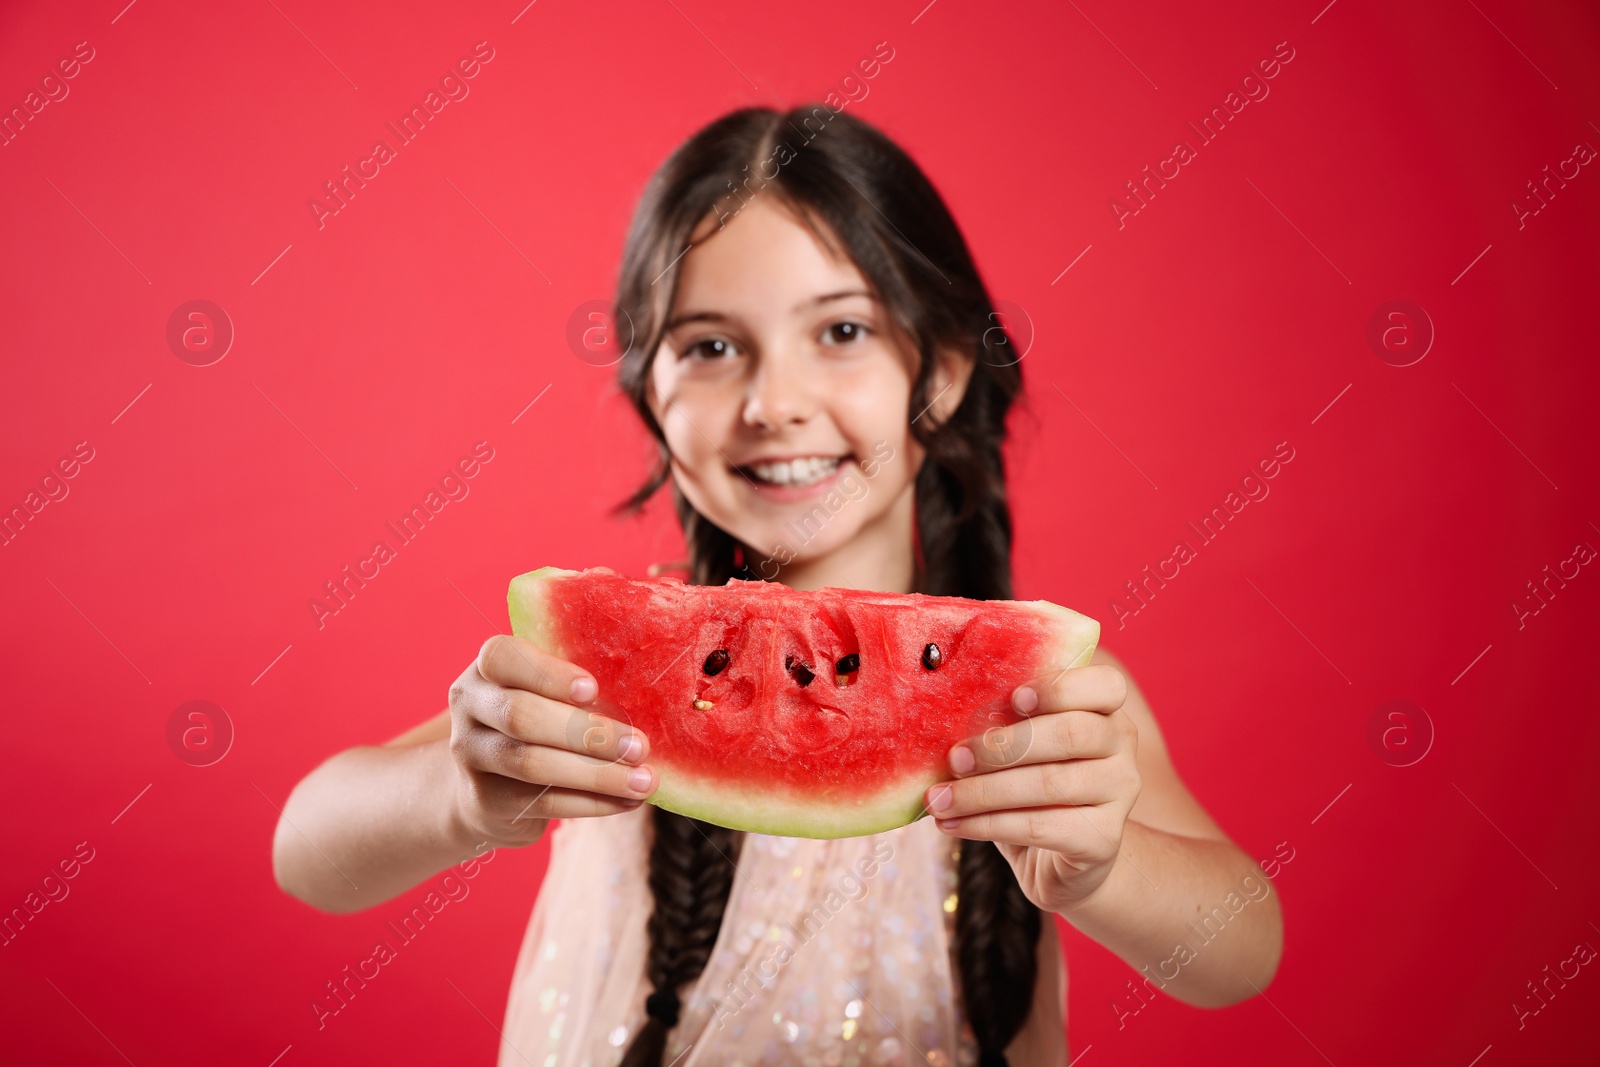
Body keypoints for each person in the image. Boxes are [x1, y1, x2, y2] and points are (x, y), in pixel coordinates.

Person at [273, 104, 1282, 1067]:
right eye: (710, 347)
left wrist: (1105, 867)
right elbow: (306, 845)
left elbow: (1242, 948)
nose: (772, 402)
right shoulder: (599, 675)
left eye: (840, 332)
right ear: (650, 394)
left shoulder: (1036, 699)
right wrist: (457, 791)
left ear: (936, 369)